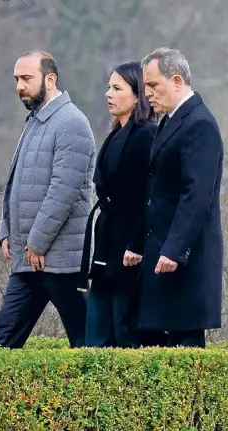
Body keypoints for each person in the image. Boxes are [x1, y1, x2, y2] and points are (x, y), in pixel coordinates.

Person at [0, 50, 95, 349]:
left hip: (63, 262)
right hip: (28, 262)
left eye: (26, 78)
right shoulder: (35, 121)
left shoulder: (72, 122)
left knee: (88, 347)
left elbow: (64, 191)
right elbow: (17, 185)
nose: (19, 85)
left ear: (50, 79)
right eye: (16, 79)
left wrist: (37, 242)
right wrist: (5, 231)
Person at [131, 48, 224, 348]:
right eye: (145, 87)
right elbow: (156, 193)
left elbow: (196, 195)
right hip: (162, 256)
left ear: (177, 80)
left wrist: (174, 250)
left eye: (153, 86)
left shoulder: (200, 124)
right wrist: (138, 244)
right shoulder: (171, 121)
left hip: (185, 262)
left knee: (185, 349)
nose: (147, 95)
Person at [78, 61, 156, 347]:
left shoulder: (146, 135)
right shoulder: (114, 135)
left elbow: (147, 196)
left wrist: (136, 244)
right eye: (108, 88)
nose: (108, 94)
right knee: (98, 329)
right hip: (108, 239)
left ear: (137, 95)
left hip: (128, 245)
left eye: (116, 88)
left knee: (125, 328)